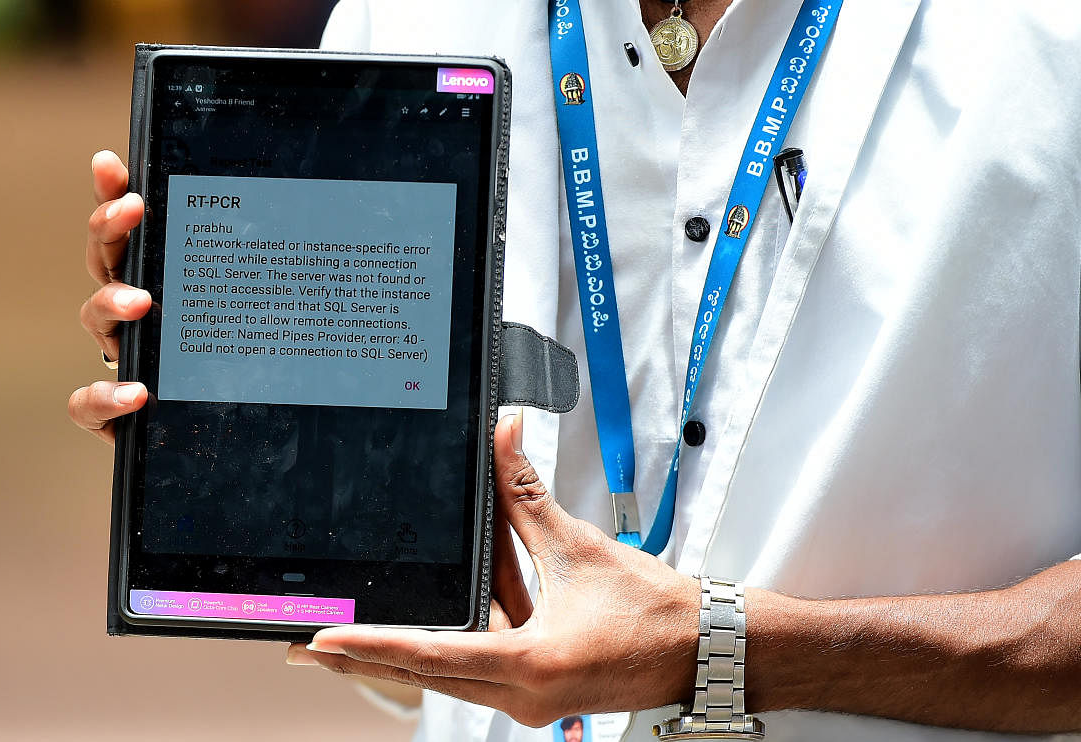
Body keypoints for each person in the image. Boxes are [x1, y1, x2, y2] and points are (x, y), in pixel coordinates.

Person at [70, 1, 1081, 740]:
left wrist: (721, 648)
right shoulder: (409, 19)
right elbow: (409, 616)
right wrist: (249, 442)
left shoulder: (1043, 42)